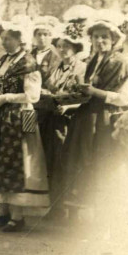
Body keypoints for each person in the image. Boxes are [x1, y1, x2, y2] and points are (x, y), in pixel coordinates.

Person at [0, 18, 48, 232]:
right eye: (3, 38)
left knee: (17, 163)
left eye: (9, 39)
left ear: (20, 40)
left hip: (21, 116)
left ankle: (17, 216)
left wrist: (5, 98)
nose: (4, 42)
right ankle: (2, 212)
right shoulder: (5, 59)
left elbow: (32, 95)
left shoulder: (29, 63)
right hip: (2, 117)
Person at [61, 9, 128, 218]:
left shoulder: (121, 62)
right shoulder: (93, 60)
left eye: (105, 37)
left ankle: (102, 218)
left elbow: (123, 99)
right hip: (87, 118)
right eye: (96, 37)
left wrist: (94, 92)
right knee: (81, 160)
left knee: (99, 164)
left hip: (105, 118)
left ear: (113, 40)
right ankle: (80, 215)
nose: (100, 41)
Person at [36, 24, 88, 209]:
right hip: (51, 118)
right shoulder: (57, 66)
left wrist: (69, 107)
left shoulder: (82, 68)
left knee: (63, 162)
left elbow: (85, 97)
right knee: (50, 160)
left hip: (68, 121)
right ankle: (53, 206)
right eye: (59, 46)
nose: (63, 49)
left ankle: (64, 208)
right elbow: (51, 88)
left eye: (67, 46)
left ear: (75, 48)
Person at [31, 16, 62, 88]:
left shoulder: (56, 55)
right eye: (39, 34)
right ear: (35, 36)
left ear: (51, 36)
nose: (42, 38)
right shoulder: (30, 53)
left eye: (45, 34)